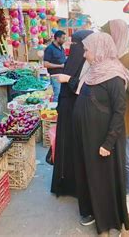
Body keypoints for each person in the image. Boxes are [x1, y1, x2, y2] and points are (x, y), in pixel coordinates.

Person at [73, 32, 129, 235]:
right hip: (89, 136)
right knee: (92, 176)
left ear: (99, 50)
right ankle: (93, 212)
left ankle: (111, 222)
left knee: (106, 180)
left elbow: (119, 112)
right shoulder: (93, 71)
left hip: (105, 140)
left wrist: (108, 143)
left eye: (87, 49)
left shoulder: (114, 76)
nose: (85, 54)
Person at [102, 19, 129, 214]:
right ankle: (114, 191)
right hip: (105, 118)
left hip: (125, 117)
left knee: (127, 157)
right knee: (110, 157)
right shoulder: (105, 59)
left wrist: (121, 81)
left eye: (108, 36)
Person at [50, 30, 94, 197]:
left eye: (76, 44)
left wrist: (68, 80)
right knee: (65, 146)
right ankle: (64, 183)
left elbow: (85, 87)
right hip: (67, 109)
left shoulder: (90, 63)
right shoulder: (76, 59)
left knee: (75, 148)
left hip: (78, 110)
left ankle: (75, 186)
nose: (72, 46)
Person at [44, 30, 67, 101]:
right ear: (57, 38)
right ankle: (55, 111)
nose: (64, 40)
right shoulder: (49, 49)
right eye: (63, 38)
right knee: (57, 94)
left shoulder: (61, 48)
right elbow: (46, 64)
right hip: (55, 76)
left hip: (62, 75)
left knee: (62, 94)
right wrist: (60, 66)